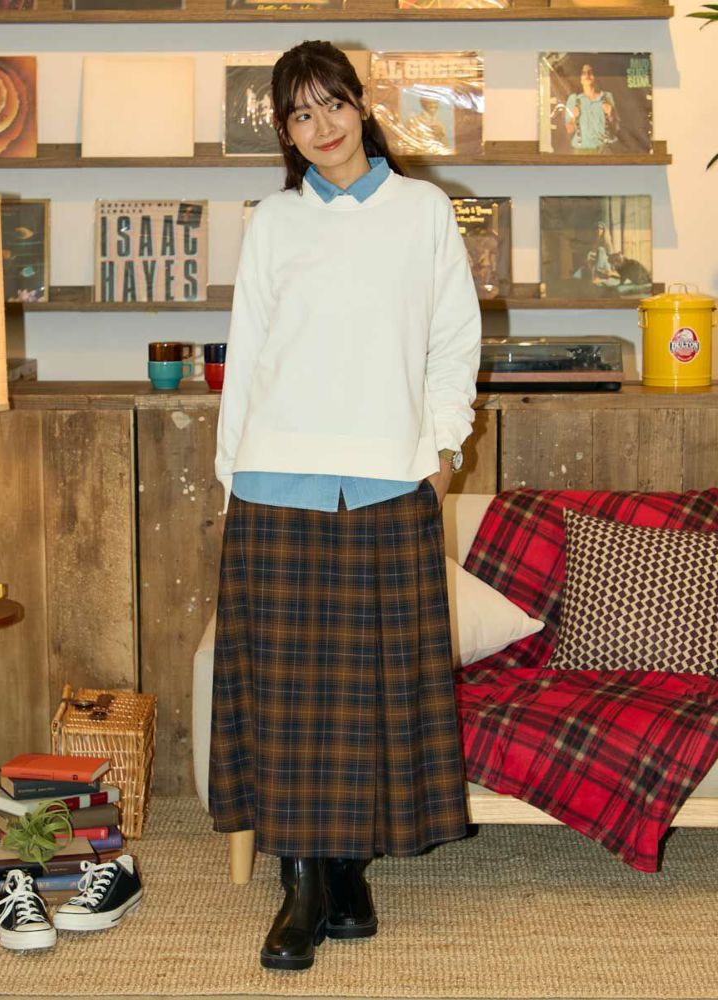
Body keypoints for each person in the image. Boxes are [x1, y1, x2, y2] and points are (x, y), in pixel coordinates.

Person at [210, 40, 481, 972]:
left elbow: (455, 340)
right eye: (300, 113)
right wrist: (231, 476)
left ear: (363, 106)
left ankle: (348, 867)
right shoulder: (273, 222)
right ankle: (302, 884)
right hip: (275, 481)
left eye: (332, 104)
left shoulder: (424, 212)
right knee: (287, 698)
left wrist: (443, 451)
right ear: (285, 132)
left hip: (387, 481)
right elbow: (248, 349)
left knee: (373, 689)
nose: (320, 125)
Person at [565, 63, 618, 153]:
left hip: (605, 149)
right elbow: (569, 130)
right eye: (583, 73)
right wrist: (573, 118)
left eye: (590, 72)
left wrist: (610, 114)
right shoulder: (574, 99)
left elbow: (616, 127)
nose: (587, 75)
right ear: (580, 79)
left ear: (595, 76)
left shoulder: (607, 96)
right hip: (582, 151)